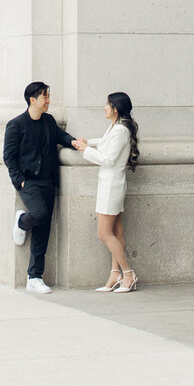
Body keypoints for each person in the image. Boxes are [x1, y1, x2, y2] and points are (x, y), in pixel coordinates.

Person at [3, 81, 84, 294]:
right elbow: (9, 156)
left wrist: (73, 142)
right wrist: (19, 180)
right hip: (29, 182)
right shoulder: (16, 125)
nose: (48, 101)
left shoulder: (48, 121)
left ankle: (34, 277)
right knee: (38, 215)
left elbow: (60, 136)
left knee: (43, 230)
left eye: (48, 96)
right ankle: (22, 220)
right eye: (45, 97)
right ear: (33, 100)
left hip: (49, 182)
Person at [73, 91, 140, 293]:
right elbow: (105, 143)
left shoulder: (121, 130)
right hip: (111, 185)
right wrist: (87, 143)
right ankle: (114, 275)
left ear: (115, 109)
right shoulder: (115, 127)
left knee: (104, 233)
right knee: (117, 232)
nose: (104, 107)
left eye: (107, 104)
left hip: (112, 186)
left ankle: (128, 274)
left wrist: (85, 150)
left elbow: (109, 159)